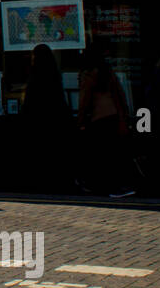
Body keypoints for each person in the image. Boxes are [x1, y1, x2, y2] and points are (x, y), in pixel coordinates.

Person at [76, 51, 134, 197]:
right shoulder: (109, 73)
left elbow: (84, 100)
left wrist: (81, 120)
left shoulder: (88, 75)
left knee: (100, 155)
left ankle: (106, 187)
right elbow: (120, 94)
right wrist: (125, 115)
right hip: (114, 116)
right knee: (115, 154)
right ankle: (121, 186)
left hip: (98, 118)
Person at [20, 43, 74, 191]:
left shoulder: (34, 78)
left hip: (38, 123)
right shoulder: (54, 76)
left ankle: (42, 183)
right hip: (54, 121)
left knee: (40, 155)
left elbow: (29, 103)